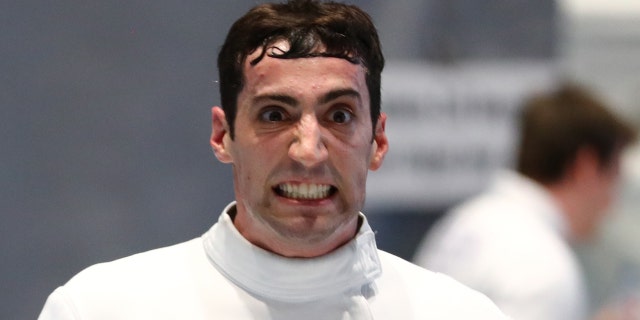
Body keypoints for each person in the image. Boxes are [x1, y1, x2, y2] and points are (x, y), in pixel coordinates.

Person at [38, 1, 508, 319]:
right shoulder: (101, 308)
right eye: (275, 114)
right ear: (223, 135)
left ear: (378, 140)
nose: (308, 150)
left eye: (339, 115)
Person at [413, 83, 638, 320]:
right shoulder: (543, 269)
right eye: (615, 178)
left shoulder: (466, 221)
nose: (612, 205)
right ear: (586, 168)